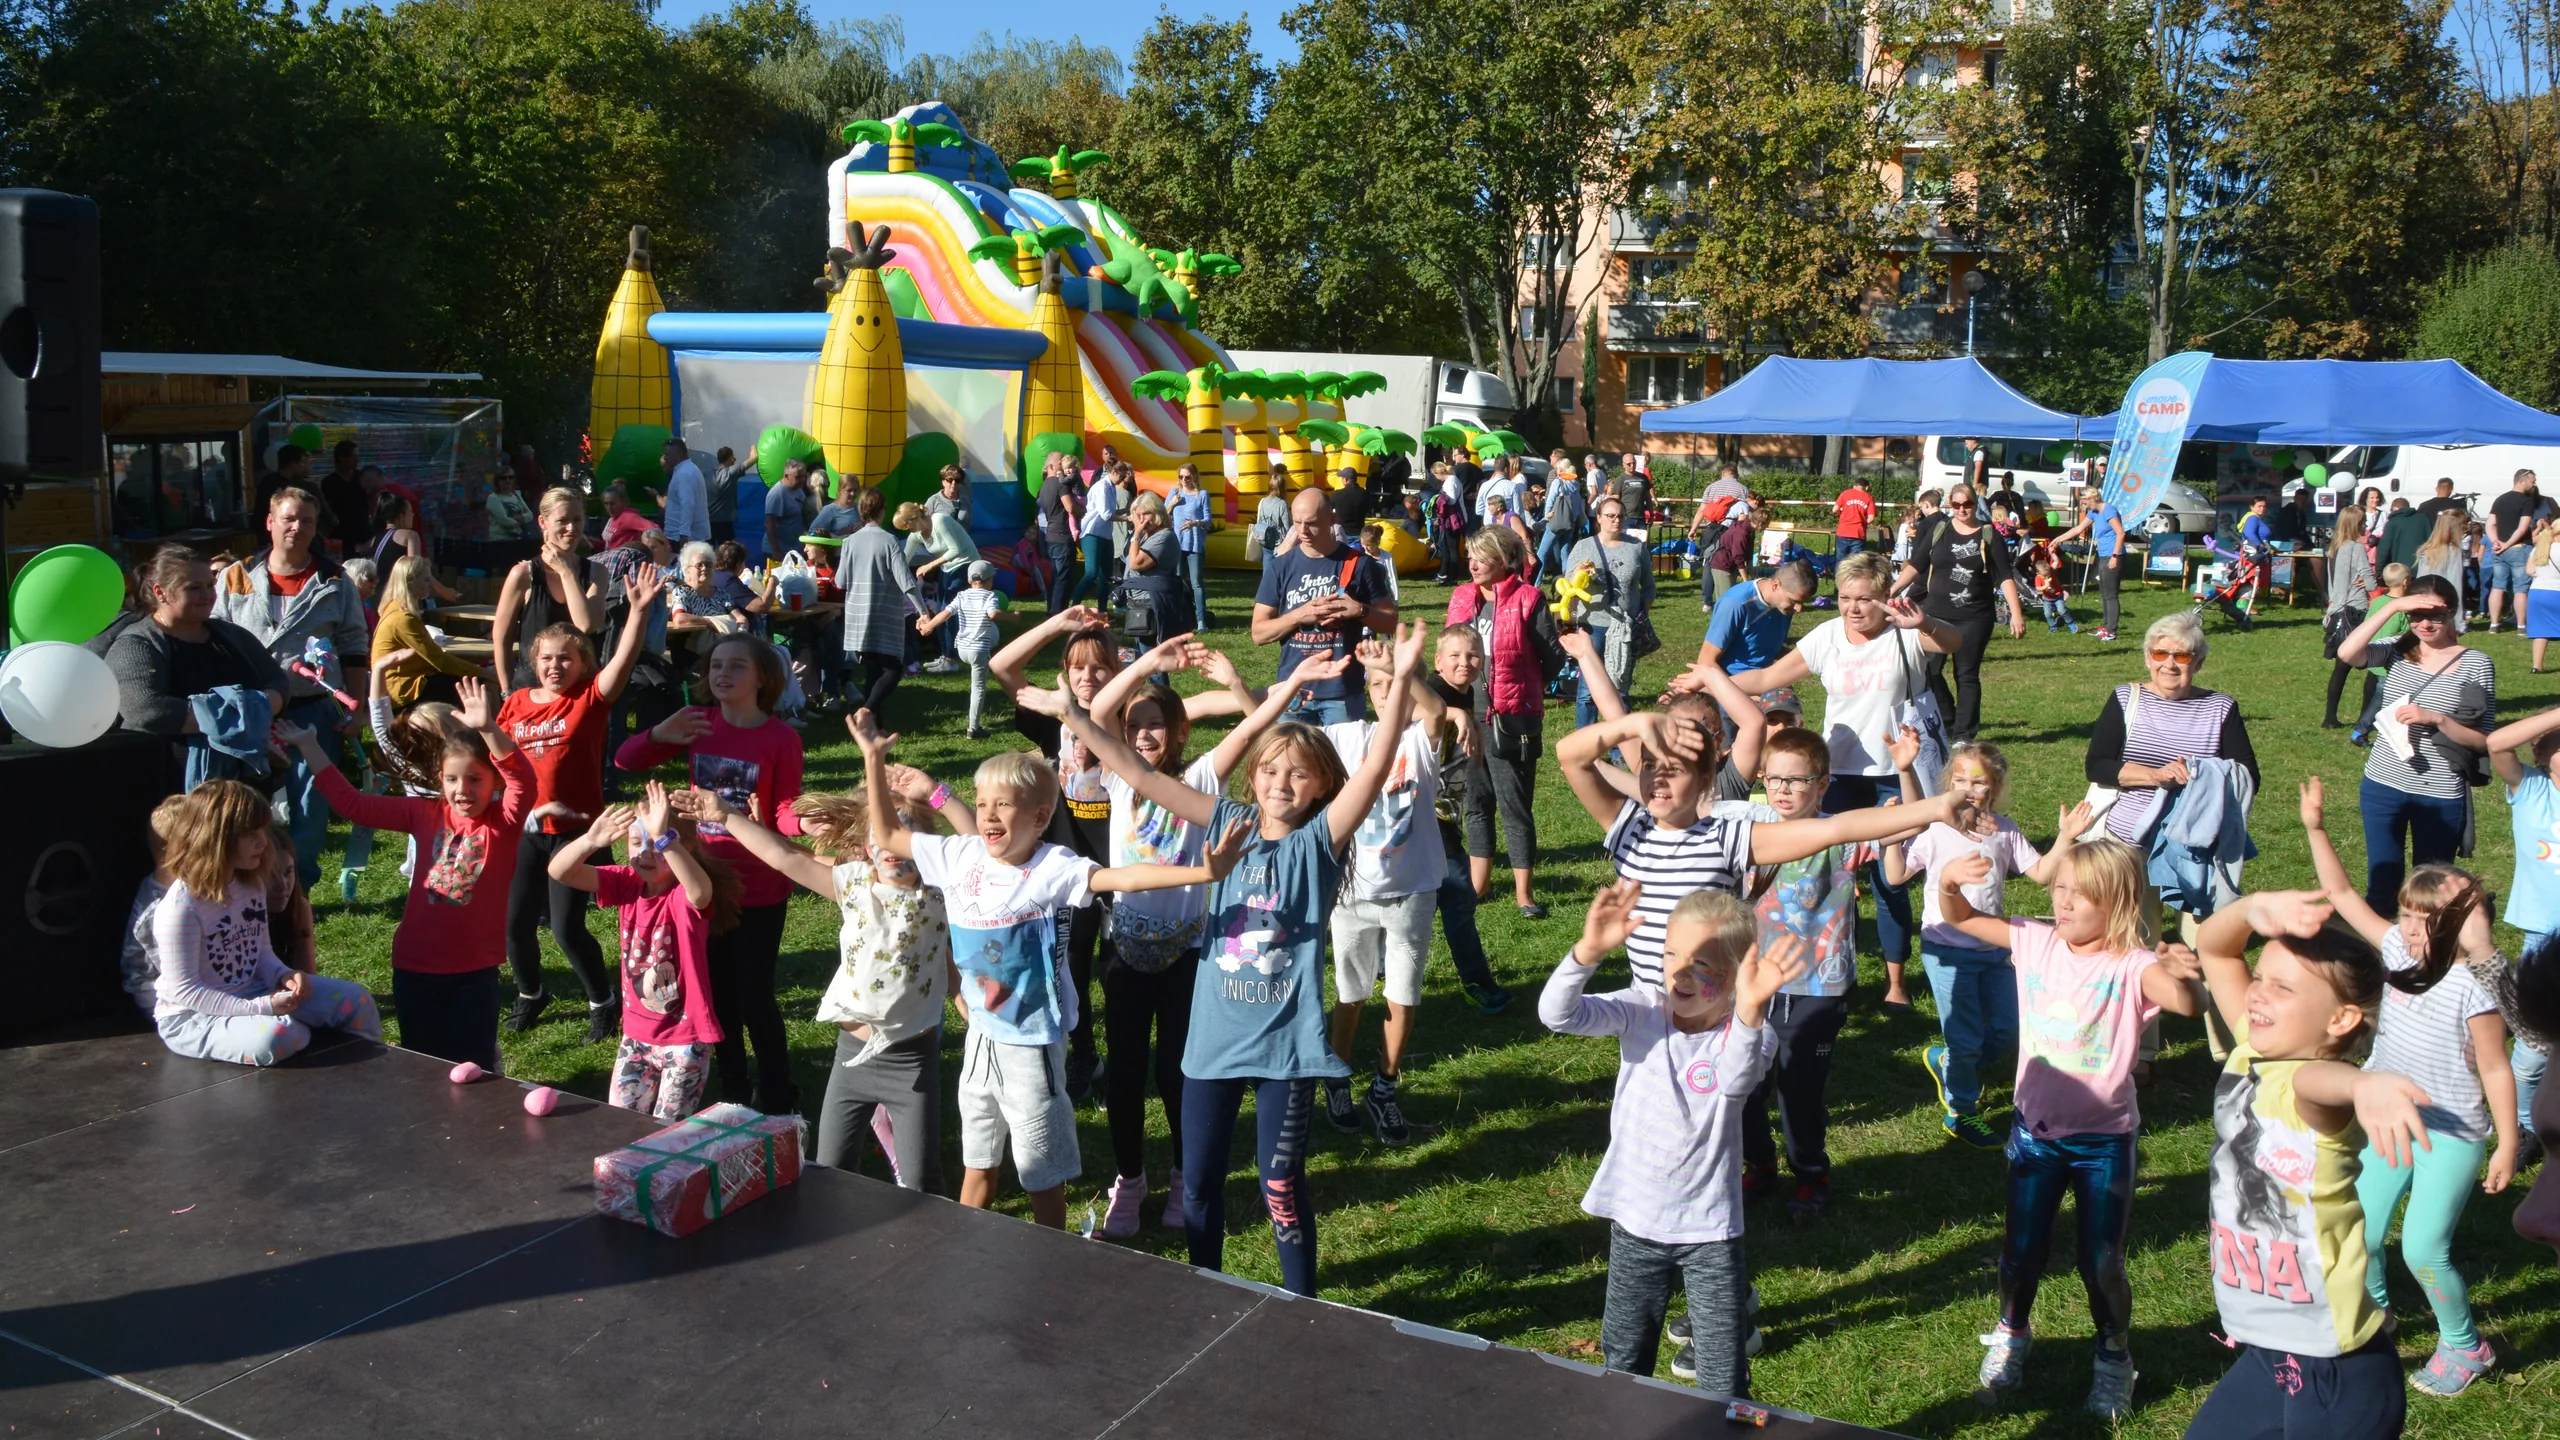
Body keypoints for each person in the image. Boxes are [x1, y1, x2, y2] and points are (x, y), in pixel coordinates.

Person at [1065, 628, 1428, 1290]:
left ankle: (1302, 1305)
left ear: (1320, 785)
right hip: (1211, 1048)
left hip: (1286, 1050)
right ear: (1251, 777)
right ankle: (1208, 1291)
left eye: (1297, 772)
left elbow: (1375, 769)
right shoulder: (1221, 821)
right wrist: (1073, 717)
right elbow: (1140, 773)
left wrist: (1399, 681)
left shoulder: (1320, 842)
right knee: (1199, 1187)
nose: (1280, 781)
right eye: (1268, 769)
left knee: (1281, 1186)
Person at [855, 708, 1245, 1230]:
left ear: (1039, 818)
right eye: (984, 803)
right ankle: (965, 1249)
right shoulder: (960, 856)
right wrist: (871, 757)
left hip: (1032, 1044)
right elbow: (885, 830)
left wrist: (1205, 871)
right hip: (980, 1040)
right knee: (979, 1160)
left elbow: (1124, 878)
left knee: (1041, 1173)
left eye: (1004, 806)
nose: (989, 815)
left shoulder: (1052, 868)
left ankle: (1051, 1262)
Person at [1934, 837, 2201, 1416]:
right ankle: (2012, 1331)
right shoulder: (2036, 942)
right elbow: (1959, 916)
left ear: (2120, 903)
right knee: (2021, 1251)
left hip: (2105, 1141)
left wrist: (2183, 972)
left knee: (2101, 1261)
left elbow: (2184, 1004)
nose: (2064, 903)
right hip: (2034, 1135)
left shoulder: (2133, 966)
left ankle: (2113, 1356)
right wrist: (1950, 881)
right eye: (2059, 889)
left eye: (2082, 895)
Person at [1070, 636, 1310, 1232]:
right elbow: (1097, 716)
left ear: (1179, 733)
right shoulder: (1120, 779)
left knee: (1178, 1071)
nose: (1144, 735)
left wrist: (1280, 674)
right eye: (1136, 727)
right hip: (1124, 950)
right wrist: (1146, 665)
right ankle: (1130, 1178)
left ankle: (1181, 1175)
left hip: (1188, 954)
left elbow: (1255, 725)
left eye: (1156, 726)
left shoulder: (1203, 775)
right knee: (1124, 1075)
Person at [2186, 891, 2435, 1440]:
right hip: (2273, 1356)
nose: (2258, 993)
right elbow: (2214, 948)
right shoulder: (2252, 1052)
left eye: (2283, 987)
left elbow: (2325, 1083)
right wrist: (2253, 911)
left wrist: (2364, 1083)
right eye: (2261, 977)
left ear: (2342, 1018)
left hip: (2338, 1370)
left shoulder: (2310, 1089)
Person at [2296, 795, 2520, 1395]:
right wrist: (2316, 828)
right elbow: (2343, 897)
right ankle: (2377, 1317)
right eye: (2407, 915)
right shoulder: (2395, 949)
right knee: (2358, 1229)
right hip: (2389, 1118)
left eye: (2428, 920)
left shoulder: (2476, 989)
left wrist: (2506, 1145)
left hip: (2452, 1134)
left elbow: (2498, 1070)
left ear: (2464, 925)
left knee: (2424, 1246)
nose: (2413, 929)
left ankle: (2465, 1346)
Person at [1542, 883, 1800, 1397]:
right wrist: (1586, 953)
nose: (1681, 971)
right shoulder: (1641, 1011)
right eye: (1671, 954)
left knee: (1723, 1376)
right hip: (1636, 1220)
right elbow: (1557, 1015)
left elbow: (1735, 1083)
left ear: (1737, 975)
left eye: (1703, 962)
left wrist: (1750, 1012)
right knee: (1623, 1363)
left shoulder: (1751, 1034)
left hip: (1710, 1233)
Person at [1725, 551, 1963, 1011]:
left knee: (1890, 881)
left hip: (1895, 772)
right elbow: (1770, 676)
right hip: (1835, 775)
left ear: (1885, 596)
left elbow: (1954, 642)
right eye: (1845, 598)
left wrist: (1924, 623)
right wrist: (1711, 679)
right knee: (1828, 876)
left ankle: (1896, 981)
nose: (1854, 608)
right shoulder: (1828, 636)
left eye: (1866, 599)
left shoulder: (1904, 633)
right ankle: (1828, 966)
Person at [1729, 723, 1930, 1222]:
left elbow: (1912, 824)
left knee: (1798, 1090)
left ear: (1822, 785)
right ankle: (1758, 1164)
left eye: (1797, 781)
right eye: (1774, 779)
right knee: (1744, 1085)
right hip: (1752, 984)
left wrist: (1905, 769)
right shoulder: (1747, 830)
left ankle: (1810, 1174)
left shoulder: (1842, 836)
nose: (1783, 790)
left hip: (1818, 986)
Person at [706, 781, 947, 1191]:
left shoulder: (943, 894)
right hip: (850, 1059)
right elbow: (783, 857)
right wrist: (725, 815)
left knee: (921, 1181)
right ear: (867, 846)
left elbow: (984, 855)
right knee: (828, 1171)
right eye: (879, 835)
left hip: (911, 1063)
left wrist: (943, 799)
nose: (889, 847)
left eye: (902, 834)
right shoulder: (853, 885)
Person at [285, 680, 530, 1069]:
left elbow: (523, 780)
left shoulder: (504, 822)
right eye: (451, 779)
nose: (462, 789)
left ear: (495, 781)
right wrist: (309, 745)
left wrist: (488, 729)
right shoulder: (423, 813)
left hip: (474, 971)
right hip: (415, 967)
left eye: (475, 779)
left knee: (474, 1067)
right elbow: (353, 804)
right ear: (439, 780)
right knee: (424, 1066)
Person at [614, 635, 807, 1114]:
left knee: (755, 995)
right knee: (714, 990)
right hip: (703, 882)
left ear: (762, 678)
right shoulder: (698, 724)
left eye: (736, 666)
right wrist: (661, 733)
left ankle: (778, 1091)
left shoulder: (781, 738)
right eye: (716, 665)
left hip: (760, 884)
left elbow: (784, 809)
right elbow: (624, 760)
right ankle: (735, 1086)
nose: (722, 674)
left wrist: (799, 822)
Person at [1886, 746, 2095, 1146]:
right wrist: (1890, 840)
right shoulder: (1935, 830)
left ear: (1994, 787)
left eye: (1979, 781)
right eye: (1960, 780)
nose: (1969, 788)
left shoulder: (2004, 829)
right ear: (1949, 784)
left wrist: (2066, 836)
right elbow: (1895, 876)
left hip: (1994, 948)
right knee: (1965, 1038)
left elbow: (2039, 874)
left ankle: (1949, 1063)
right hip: (1946, 951)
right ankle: (1961, 1109)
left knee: (2007, 1028)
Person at [497, 564, 664, 1042]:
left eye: (566, 658)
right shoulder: (516, 704)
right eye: (547, 658)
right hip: (527, 831)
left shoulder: (589, 700)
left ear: (583, 663)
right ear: (534, 660)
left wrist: (637, 612)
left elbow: (624, 662)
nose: (555, 666)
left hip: (577, 833)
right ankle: (530, 993)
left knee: (567, 929)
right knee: (514, 925)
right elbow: (500, 760)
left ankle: (602, 1002)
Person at [1318, 635, 1471, 1144]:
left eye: (1398, 685)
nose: (1389, 692)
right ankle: (1336, 1076)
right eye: (1380, 685)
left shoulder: (1419, 742)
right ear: (1367, 691)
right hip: (1353, 893)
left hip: (1411, 893)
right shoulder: (1346, 737)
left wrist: (1403, 670)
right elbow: (1289, 736)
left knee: (1402, 997)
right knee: (1350, 993)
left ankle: (1384, 1086)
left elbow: (1437, 711)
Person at [149, 779, 381, 1065]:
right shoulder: (181, 908)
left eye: (262, 831)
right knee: (280, 1036)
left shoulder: (250, 886)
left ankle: (373, 1074)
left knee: (357, 1001)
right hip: (195, 1017)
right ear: (216, 838)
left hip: (255, 994)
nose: (263, 841)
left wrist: (284, 975)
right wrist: (262, 1007)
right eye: (250, 834)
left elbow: (259, 953)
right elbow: (187, 991)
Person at [211, 488, 373, 889]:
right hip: (249, 711)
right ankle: (244, 885)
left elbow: (354, 646)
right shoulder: (237, 576)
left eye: (307, 521)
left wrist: (358, 708)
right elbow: (213, 638)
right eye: (289, 518)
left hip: (311, 710)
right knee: (243, 805)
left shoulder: (334, 580)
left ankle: (295, 889)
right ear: (270, 522)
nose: (297, 528)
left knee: (309, 807)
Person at [546, 782, 736, 1121]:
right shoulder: (626, 884)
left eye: (657, 844)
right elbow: (559, 871)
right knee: (621, 1124)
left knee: (665, 1135)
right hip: (636, 1036)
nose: (647, 852)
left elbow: (700, 892)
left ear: (684, 847)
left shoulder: (682, 895)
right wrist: (590, 840)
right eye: (637, 842)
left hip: (685, 1040)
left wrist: (664, 835)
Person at [2333, 578, 2495, 912]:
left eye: (2434, 615)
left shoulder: (2476, 664)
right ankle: (2379, 961)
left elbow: (2484, 741)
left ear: (2452, 612)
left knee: (2433, 891)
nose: (2424, 624)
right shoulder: (2398, 649)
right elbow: (2347, 653)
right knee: (2381, 887)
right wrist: (2392, 606)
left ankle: (2429, 960)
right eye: (2415, 615)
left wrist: (2438, 719)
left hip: (2439, 791)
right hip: (2383, 784)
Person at [2081, 608, 2260, 860]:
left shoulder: (2220, 708)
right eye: (2160, 653)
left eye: (2182, 656)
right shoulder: (2125, 698)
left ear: (2199, 663)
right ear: (2148, 658)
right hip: (2122, 846)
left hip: (2193, 846)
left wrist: (2195, 772)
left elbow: (2248, 777)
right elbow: (2097, 766)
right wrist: (2157, 776)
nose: (2169, 664)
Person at [1448, 525, 1562, 917]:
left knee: (1515, 806)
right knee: (1475, 803)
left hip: (1513, 718)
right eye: (1470, 556)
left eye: (1482, 557)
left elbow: (1553, 657)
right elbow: (1449, 651)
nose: (1473, 564)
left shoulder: (1529, 599)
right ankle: (1478, 886)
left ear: (1503, 560)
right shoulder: (1461, 596)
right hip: (1466, 715)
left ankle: (1523, 893)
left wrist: (1526, 688)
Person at [1253, 486, 1398, 726]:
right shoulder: (1280, 567)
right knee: (1291, 762)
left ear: (1332, 520)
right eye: (1297, 522)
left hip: (1341, 692)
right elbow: (1258, 633)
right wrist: (1300, 615)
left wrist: (1360, 611)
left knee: (1344, 763)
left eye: (1311, 523)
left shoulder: (1359, 565)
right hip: (1292, 691)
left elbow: (1391, 620)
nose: (1303, 530)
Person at [1897, 481, 2026, 742]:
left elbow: (2004, 576)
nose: (1962, 509)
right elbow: (1917, 564)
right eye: (1956, 505)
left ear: (1974, 504)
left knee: (1965, 674)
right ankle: (1948, 721)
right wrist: (1892, 589)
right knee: (1929, 671)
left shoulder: (1989, 534)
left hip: (1974, 616)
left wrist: (2016, 613)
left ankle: (1965, 734)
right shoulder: (1939, 529)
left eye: (1967, 504)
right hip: (1935, 614)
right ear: (1950, 505)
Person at [1566, 494, 1656, 729]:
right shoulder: (1583, 547)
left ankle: (1619, 747)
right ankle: (1587, 747)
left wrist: (1640, 616)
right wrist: (1581, 574)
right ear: (1599, 518)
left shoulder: (1636, 547)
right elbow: (1567, 586)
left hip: (1624, 628)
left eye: (1620, 516)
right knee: (1587, 691)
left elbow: (1648, 587)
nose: (1616, 520)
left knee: (1620, 688)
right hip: (1592, 625)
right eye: (1611, 516)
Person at [837, 487, 919, 716]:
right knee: (893, 670)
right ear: (882, 511)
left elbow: (840, 580)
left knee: (874, 669)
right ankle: (866, 711)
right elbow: (906, 581)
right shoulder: (889, 541)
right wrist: (923, 611)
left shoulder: (849, 542)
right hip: (884, 616)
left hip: (857, 617)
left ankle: (875, 725)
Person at [371, 556, 481, 707]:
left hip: (403, 683)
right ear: (411, 583)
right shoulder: (403, 618)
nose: (430, 586)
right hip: (403, 691)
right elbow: (440, 661)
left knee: (466, 679)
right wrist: (484, 672)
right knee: (478, 686)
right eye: (426, 580)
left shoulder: (393, 607)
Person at [916, 560, 1008, 738]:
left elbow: (945, 613)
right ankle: (973, 728)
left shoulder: (962, 596)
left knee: (989, 635)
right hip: (978, 649)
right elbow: (993, 614)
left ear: (968, 580)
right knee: (978, 688)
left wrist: (930, 626)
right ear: (990, 581)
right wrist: (1012, 617)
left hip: (962, 648)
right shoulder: (990, 597)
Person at [1698, 560, 1812, 683]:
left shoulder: (1784, 606)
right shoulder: (1734, 604)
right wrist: (1738, 694)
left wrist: (1809, 660)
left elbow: (1767, 648)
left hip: (1765, 681)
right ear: (1775, 585)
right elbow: (1706, 661)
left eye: (1802, 602)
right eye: (1794, 600)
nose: (1799, 608)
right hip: (1731, 683)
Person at [2322, 506, 2378, 728]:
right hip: (2355, 610)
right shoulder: (2356, 548)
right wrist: (2368, 581)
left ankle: (2330, 716)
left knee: (2341, 667)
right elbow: (2371, 581)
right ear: (2356, 524)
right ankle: (2365, 718)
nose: (2365, 526)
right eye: (2363, 522)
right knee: (2375, 663)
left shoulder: (2334, 548)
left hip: (2336, 609)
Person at [2051, 490, 2127, 641]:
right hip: (2102, 554)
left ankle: (2111, 631)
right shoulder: (2094, 512)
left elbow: (2121, 533)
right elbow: (2078, 529)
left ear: (2092, 498)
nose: (2083, 504)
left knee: (2111, 594)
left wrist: (2114, 556)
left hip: (2113, 556)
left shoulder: (2109, 510)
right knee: (2104, 591)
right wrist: (2057, 539)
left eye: (2084, 500)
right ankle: (2105, 627)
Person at [1122, 491, 1187, 643]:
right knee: (1144, 655)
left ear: (1157, 513)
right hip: (1139, 603)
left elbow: (1135, 563)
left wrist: (1136, 535)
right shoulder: (1147, 535)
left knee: (1151, 656)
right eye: (1138, 515)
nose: (1141, 520)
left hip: (1153, 604)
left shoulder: (1163, 537)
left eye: (1146, 514)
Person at [2485, 468, 2541, 633]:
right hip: (2518, 548)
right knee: (2521, 588)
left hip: (2498, 550)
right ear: (2522, 481)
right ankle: (2521, 626)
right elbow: (2523, 528)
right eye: (2532, 481)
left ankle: (2494, 624)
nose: (2534, 485)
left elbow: (2490, 524)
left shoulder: (2500, 499)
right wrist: (2507, 544)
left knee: (2497, 586)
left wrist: (2496, 542)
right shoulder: (2527, 501)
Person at [1036, 454, 1083, 616]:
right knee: (1064, 578)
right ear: (1050, 466)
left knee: (1056, 577)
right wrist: (1087, 511)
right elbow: (1070, 507)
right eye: (1059, 461)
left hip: (1051, 534)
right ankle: (1057, 614)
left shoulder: (1044, 486)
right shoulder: (1060, 483)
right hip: (1062, 534)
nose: (1063, 463)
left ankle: (1052, 610)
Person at [1172, 464, 1213, 629]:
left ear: (1194, 477)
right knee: (1177, 581)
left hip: (1195, 544)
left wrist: (1196, 523)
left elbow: (1208, 520)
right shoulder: (1174, 494)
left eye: (1187, 477)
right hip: (1176, 544)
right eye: (1181, 477)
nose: (1184, 481)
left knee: (1196, 582)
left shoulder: (1201, 495)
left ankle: (1201, 619)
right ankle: (1179, 615)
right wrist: (1173, 503)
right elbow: (1162, 514)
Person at [2416, 508, 2468, 634]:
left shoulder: (2426, 550)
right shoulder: (2454, 552)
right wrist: (2459, 623)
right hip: (2443, 601)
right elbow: (2455, 585)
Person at [1077, 462, 1121, 606]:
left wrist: (1127, 511)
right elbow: (1106, 514)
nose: (1123, 479)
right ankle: (1075, 604)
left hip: (1106, 534)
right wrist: (1127, 518)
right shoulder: (1102, 487)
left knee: (1105, 575)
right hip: (1092, 532)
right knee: (1092, 572)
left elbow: (1111, 512)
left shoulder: (1112, 487)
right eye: (1121, 475)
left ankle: (1103, 611)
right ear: (1113, 472)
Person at [319, 442, 371, 557]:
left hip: (363, 534)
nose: (357, 460)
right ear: (341, 458)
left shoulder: (362, 478)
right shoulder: (329, 483)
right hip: (340, 537)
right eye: (353, 456)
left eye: (357, 456)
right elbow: (325, 510)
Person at [1539, 460, 1587, 579]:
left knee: (1541, 553)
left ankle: (1536, 582)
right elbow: (1578, 506)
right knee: (1565, 554)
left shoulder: (1558, 482)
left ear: (1561, 470)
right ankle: (1569, 580)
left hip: (1555, 523)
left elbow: (1549, 502)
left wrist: (1546, 519)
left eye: (1557, 468)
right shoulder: (1575, 485)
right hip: (1569, 524)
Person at [659, 439, 710, 546]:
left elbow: (688, 504)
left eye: (667, 454)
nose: (665, 458)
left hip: (683, 537)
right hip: (681, 535)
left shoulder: (684, 473)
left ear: (678, 454)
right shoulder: (685, 470)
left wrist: (683, 533)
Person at [761, 459, 811, 562]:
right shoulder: (777, 494)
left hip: (793, 550)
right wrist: (776, 551)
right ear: (786, 476)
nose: (802, 480)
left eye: (804, 476)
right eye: (798, 477)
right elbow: (769, 524)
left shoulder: (798, 489)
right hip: (779, 552)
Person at [2379, 494, 2433, 576]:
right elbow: (2430, 541)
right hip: (2421, 566)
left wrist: (2378, 570)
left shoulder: (2393, 522)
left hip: (2400, 570)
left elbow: (2383, 548)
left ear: (2393, 509)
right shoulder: (2423, 518)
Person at [706, 445, 744, 545]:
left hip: (709, 521)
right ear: (730, 458)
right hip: (725, 523)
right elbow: (753, 459)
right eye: (734, 458)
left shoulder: (708, 474)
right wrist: (754, 446)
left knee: (708, 552)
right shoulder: (731, 473)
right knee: (729, 553)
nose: (734, 461)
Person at [1833, 476, 1876, 560]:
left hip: (1843, 531)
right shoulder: (1869, 497)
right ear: (1866, 487)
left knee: (1840, 560)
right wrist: (1863, 521)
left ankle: (1838, 573)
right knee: (1855, 562)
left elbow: (1835, 509)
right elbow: (1871, 518)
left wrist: (1842, 514)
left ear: (1855, 485)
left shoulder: (1845, 493)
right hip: (1858, 533)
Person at [485, 468, 534, 541]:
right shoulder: (494, 498)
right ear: (497, 481)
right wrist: (523, 519)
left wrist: (514, 518)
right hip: (500, 539)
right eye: (503, 478)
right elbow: (505, 521)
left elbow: (530, 515)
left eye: (511, 477)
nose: (508, 480)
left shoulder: (517, 494)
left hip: (518, 537)